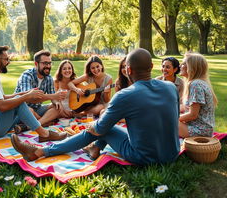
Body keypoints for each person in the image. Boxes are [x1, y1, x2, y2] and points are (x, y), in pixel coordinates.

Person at [10, 48, 180, 166]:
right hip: (172, 153)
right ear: (151, 67)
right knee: (112, 129)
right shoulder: (171, 88)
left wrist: (91, 126)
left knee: (102, 129)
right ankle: (96, 147)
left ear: (128, 70)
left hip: (144, 157)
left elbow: (99, 129)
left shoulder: (126, 95)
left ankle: (40, 152)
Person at [0, 45, 67, 142]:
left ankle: (31, 125)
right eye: (6, 59)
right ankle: (44, 134)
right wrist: (27, 96)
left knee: (22, 103)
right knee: (19, 103)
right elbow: (1, 106)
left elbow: (3, 97)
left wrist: (25, 93)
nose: (8, 62)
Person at [14, 50, 68, 130]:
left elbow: (53, 98)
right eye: (45, 63)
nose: (48, 66)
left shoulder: (48, 78)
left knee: (57, 108)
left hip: (37, 109)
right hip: (22, 110)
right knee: (30, 110)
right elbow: (29, 98)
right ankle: (42, 122)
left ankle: (35, 124)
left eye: (49, 63)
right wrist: (54, 96)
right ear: (36, 64)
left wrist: (56, 102)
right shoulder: (27, 75)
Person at [178, 52, 217, 138]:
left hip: (199, 131)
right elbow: (186, 107)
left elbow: (193, 115)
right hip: (200, 128)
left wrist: (175, 117)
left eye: (184, 63)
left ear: (192, 67)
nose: (180, 65)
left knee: (164, 120)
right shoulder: (198, 82)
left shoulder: (196, 85)